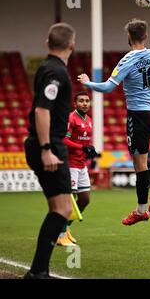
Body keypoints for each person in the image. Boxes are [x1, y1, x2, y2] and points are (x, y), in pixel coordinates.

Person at [77, 18, 150, 225]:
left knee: (139, 165)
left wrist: (87, 82)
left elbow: (108, 87)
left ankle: (141, 210)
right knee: (142, 160)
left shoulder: (127, 60)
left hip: (138, 116)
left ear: (129, 36)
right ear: (146, 36)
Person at [23, 23, 76, 279]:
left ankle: (38, 271)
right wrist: (46, 148)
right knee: (62, 209)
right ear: (71, 45)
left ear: (48, 43)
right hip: (49, 144)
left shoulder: (47, 67)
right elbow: (42, 110)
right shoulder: (56, 71)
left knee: (58, 208)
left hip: (44, 143)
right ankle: (37, 272)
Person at [57, 91, 98, 246]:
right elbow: (64, 140)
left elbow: (84, 142)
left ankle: (65, 228)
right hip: (70, 164)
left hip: (82, 165)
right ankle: (60, 236)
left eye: (87, 101)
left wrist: (89, 149)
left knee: (85, 200)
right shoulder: (71, 118)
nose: (85, 103)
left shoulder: (89, 120)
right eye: (81, 101)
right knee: (70, 200)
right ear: (75, 103)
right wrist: (82, 147)